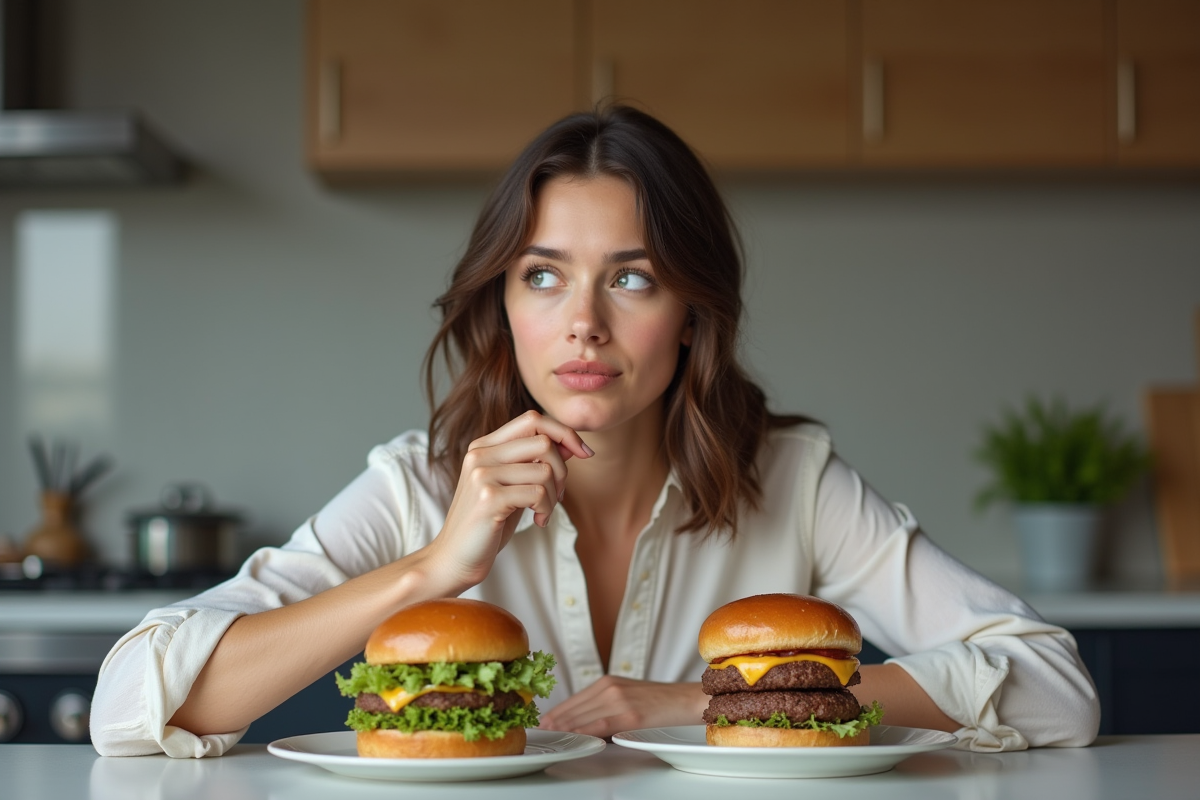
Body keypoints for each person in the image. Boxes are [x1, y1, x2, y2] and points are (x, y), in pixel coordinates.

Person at [91, 106, 1099, 757]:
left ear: (693, 309)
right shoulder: (420, 483)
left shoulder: (789, 477)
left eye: (631, 275)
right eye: (543, 274)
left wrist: (713, 700)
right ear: (505, 304)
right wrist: (429, 569)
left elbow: (1055, 687)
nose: (583, 321)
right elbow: (130, 702)